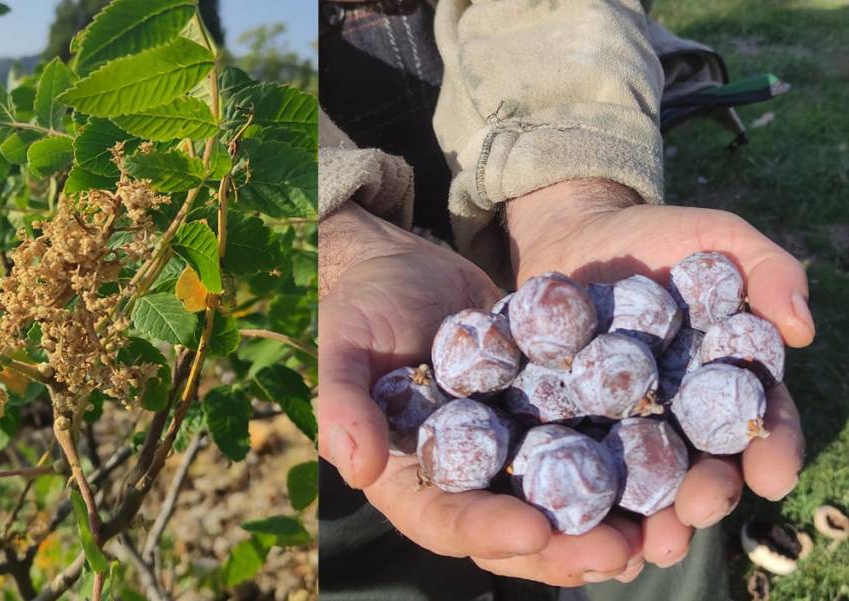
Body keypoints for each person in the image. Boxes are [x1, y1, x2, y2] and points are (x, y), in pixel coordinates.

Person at [316, 1, 814, 599]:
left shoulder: (634, 370)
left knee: (651, 548)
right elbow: (216, 104)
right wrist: (334, 232)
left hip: (499, 113)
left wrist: (573, 186)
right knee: (397, 548)